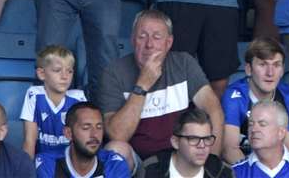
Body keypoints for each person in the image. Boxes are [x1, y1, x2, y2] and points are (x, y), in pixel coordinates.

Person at [95, 10, 225, 167]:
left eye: (156, 37)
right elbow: (117, 135)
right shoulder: (113, 72)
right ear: (132, 40)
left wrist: (211, 164)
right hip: (138, 160)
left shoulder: (184, 63)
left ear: (168, 43)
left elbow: (214, 110)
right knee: (115, 149)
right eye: (142, 37)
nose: (149, 44)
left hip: (181, 155)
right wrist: (142, 85)